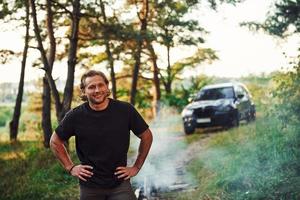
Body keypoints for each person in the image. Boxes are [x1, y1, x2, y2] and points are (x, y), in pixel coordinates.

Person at [50, 70, 153, 200]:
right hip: (90, 188)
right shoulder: (76, 116)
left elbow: (147, 136)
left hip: (120, 184)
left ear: (106, 86)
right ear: (84, 91)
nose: (97, 90)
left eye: (100, 85)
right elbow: (55, 141)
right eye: (91, 87)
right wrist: (70, 167)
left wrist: (136, 167)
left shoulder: (125, 110)